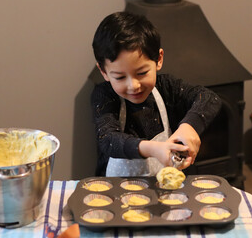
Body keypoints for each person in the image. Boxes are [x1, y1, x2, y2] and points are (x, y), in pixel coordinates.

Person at [91, 11, 222, 177]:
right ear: (103, 71)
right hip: (115, 192)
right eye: (120, 77)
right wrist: (153, 149)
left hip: (164, 189)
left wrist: (189, 127)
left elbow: (210, 98)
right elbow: (108, 140)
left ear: (159, 59)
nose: (133, 86)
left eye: (142, 73)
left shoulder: (166, 86)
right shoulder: (104, 95)